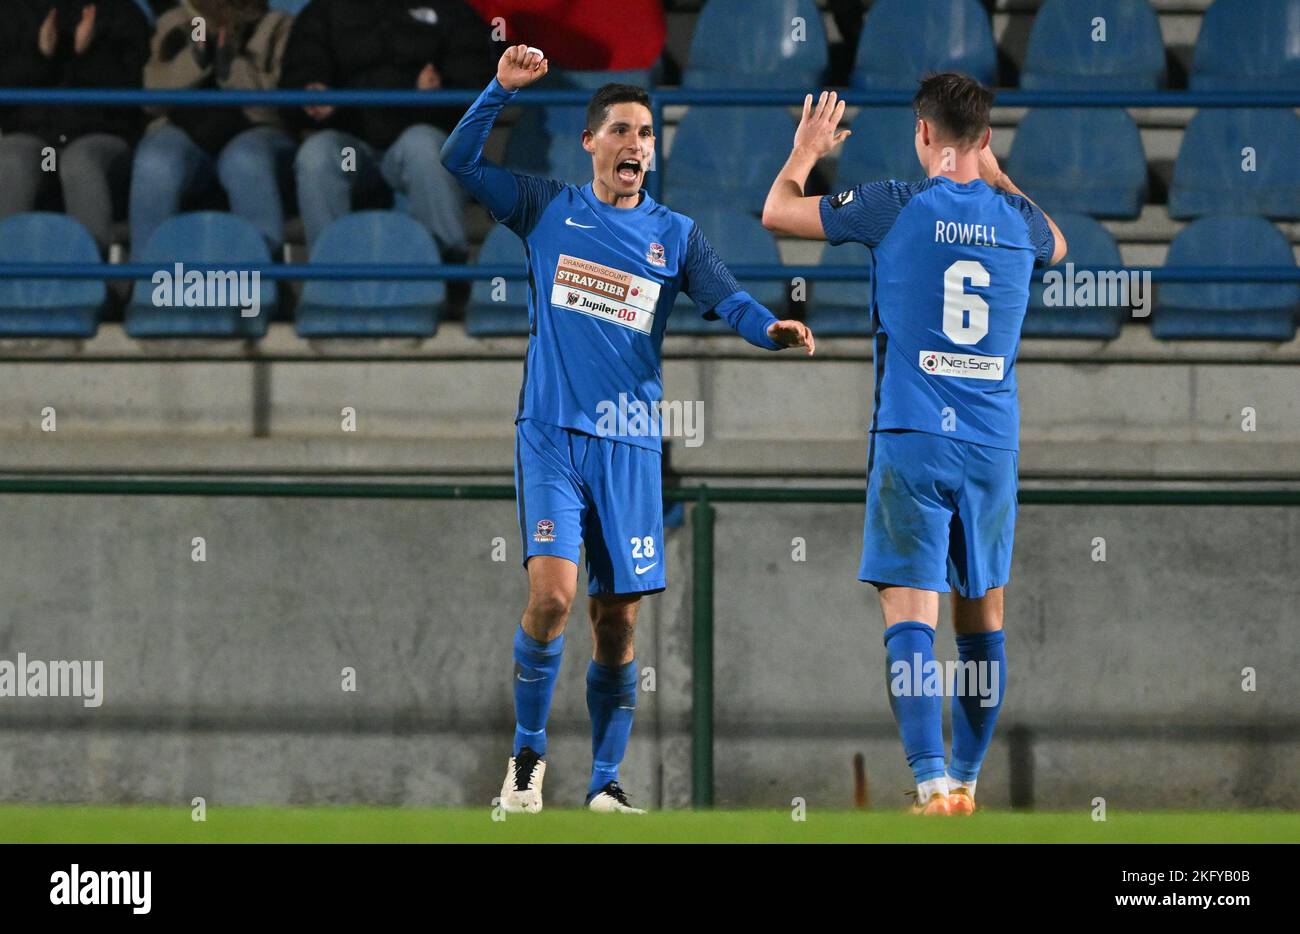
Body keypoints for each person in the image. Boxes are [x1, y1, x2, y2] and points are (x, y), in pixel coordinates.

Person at [442, 46, 816, 814]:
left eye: (646, 133)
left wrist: (768, 328)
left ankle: (605, 783)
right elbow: (458, 159)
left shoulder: (674, 235)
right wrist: (497, 91)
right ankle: (526, 760)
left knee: (617, 622)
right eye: (621, 130)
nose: (636, 145)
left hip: (631, 445)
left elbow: (730, 298)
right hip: (550, 433)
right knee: (551, 598)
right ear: (590, 143)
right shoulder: (546, 207)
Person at [762, 74, 1067, 816]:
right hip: (992, 446)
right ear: (986, 138)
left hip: (914, 437)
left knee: (910, 619)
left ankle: (930, 784)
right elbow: (1057, 244)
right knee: (982, 623)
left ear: (923, 133)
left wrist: (805, 153)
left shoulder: (895, 205)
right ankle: (964, 783)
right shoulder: (1018, 223)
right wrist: (992, 171)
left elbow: (776, 213)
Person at [279, 0, 495, 255]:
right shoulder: (325, 10)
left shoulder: (449, 8)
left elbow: (474, 81)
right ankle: (331, 272)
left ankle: (445, 269)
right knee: (318, 154)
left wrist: (441, 88)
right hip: (351, 144)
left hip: (420, 131)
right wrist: (313, 92)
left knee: (424, 145)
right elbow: (300, 73)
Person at [129, 0, 295, 253]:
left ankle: (261, 276)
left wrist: (231, 65)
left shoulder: (277, 24)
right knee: (155, 161)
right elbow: (151, 99)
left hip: (255, 128)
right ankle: (149, 281)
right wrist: (196, 58)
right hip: (185, 126)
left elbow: (279, 107)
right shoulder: (174, 23)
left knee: (245, 161)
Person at [0, 0, 150, 252]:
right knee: (13, 161)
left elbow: (133, 93)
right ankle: (8, 279)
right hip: (40, 142)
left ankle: (92, 280)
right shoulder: (12, 11)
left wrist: (89, 53)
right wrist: (39, 54)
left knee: (79, 162)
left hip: (100, 137)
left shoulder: (122, 11)